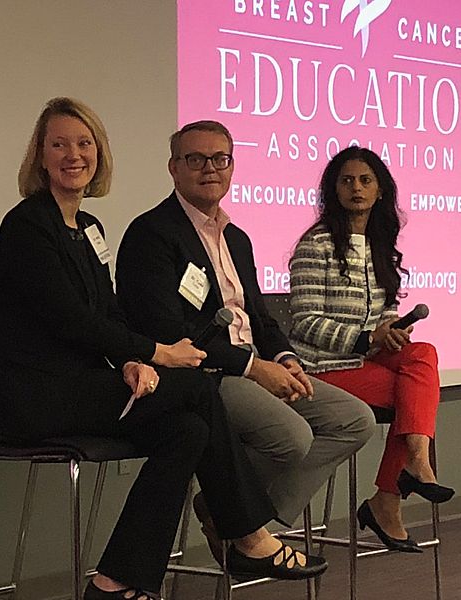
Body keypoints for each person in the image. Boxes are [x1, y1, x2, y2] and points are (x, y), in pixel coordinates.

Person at [0, 99, 326, 600]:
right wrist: (156, 351)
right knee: (197, 390)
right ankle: (247, 535)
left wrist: (132, 360)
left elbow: (107, 314)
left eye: (84, 143)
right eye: (59, 145)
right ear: (40, 157)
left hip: (77, 385)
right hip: (29, 395)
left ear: (99, 153)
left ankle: (116, 580)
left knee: (188, 430)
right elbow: (71, 322)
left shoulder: (89, 228)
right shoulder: (28, 225)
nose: (73, 155)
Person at [115, 120, 376, 552]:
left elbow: (260, 318)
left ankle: (230, 512)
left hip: (254, 365)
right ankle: (242, 523)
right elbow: (166, 331)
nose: (210, 168)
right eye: (196, 159)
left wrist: (286, 359)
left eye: (220, 159)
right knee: (292, 437)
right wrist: (254, 368)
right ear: (174, 168)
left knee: (354, 421)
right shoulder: (152, 234)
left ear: (232, 167)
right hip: (204, 374)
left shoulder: (236, 239)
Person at [288, 146, 454, 554]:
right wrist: (366, 339)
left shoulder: (380, 243)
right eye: (347, 181)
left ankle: (409, 471)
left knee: (424, 354)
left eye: (365, 180)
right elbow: (304, 322)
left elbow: (387, 310)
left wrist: (392, 330)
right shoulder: (316, 244)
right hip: (322, 367)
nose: (356, 188)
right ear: (334, 190)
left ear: (380, 190)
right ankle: (392, 494)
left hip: (368, 357)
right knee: (412, 398)